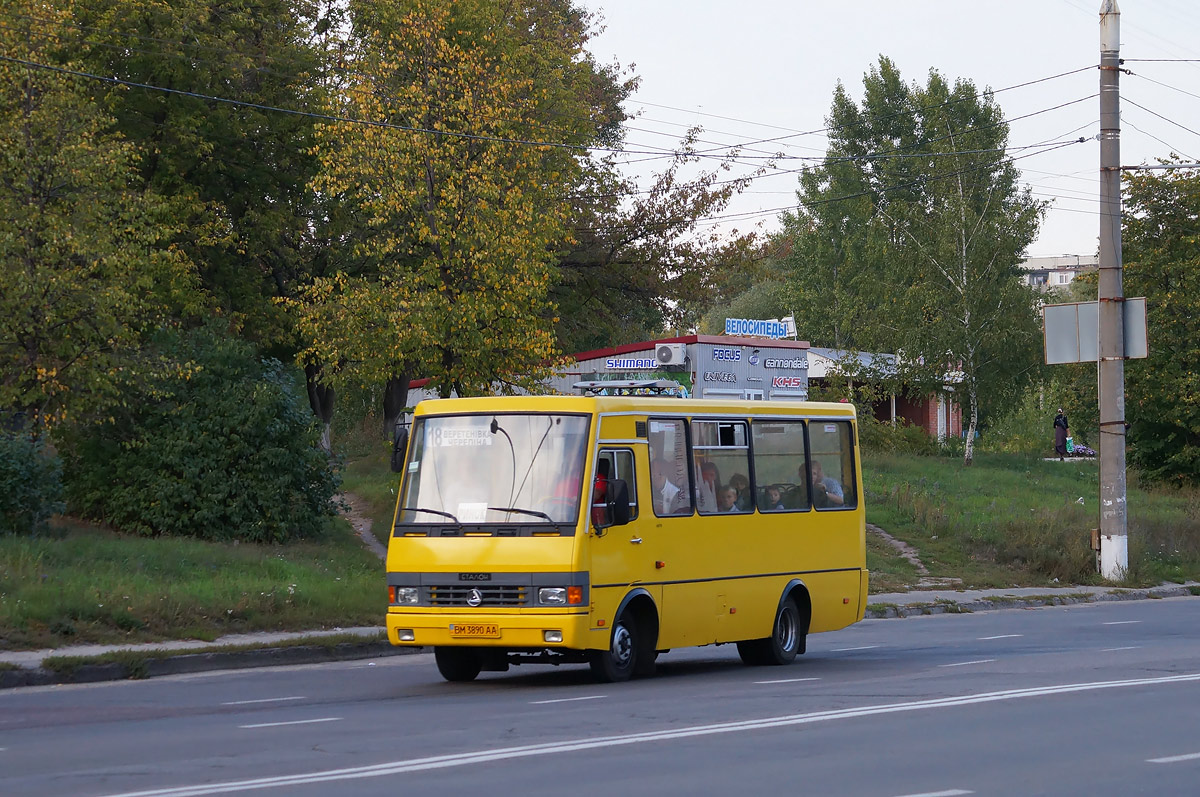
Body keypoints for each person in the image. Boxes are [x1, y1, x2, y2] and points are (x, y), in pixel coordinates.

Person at [590, 458, 610, 526]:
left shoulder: (599, 478)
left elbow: (596, 495)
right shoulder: (567, 480)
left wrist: (576, 500)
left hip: (596, 524)